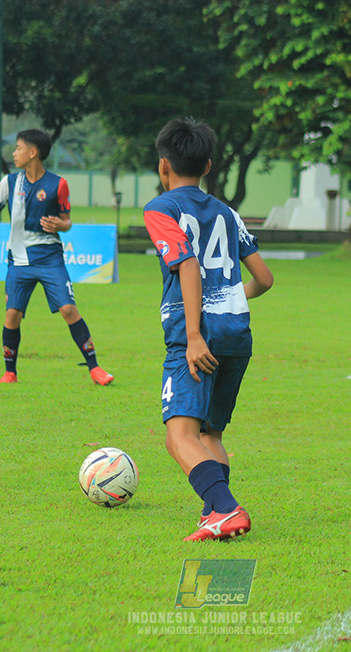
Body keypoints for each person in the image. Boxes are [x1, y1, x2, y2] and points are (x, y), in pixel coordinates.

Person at [143, 118, 273, 541]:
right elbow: (264, 279)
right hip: (237, 332)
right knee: (210, 432)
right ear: (209, 165)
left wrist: (196, 333)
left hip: (195, 335)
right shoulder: (228, 212)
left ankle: (227, 509)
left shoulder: (161, 209)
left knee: (178, 436)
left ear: (164, 166)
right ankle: (212, 512)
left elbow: (187, 264)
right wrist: (230, 301)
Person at [0, 129, 113, 386]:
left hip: (49, 259)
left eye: (18, 148)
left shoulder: (58, 184)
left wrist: (61, 225)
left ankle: (95, 368)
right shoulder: (10, 182)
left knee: (69, 309)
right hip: (19, 261)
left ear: (32, 153)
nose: (14, 153)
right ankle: (10, 372)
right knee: (12, 314)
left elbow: (67, 222)